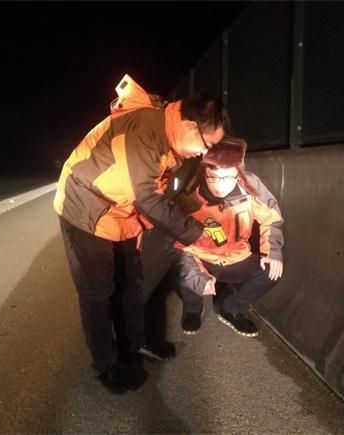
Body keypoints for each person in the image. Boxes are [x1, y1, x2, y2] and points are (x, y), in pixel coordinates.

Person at [54, 74, 228, 393]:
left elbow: (164, 194)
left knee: (131, 282)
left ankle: (134, 344)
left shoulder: (171, 138)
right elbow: (147, 198)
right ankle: (106, 364)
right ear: (191, 126)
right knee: (98, 291)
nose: (205, 153)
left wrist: (204, 220)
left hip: (121, 209)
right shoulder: (147, 130)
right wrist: (196, 235)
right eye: (207, 145)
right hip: (85, 206)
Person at [171, 136, 284, 337]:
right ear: (204, 173)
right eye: (213, 177)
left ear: (238, 174)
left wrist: (272, 251)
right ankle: (193, 308)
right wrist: (197, 276)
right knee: (185, 276)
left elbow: (271, 217)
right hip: (201, 257)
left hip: (236, 257)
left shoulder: (250, 188)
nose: (220, 186)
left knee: (271, 271)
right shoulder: (189, 199)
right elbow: (178, 247)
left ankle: (230, 308)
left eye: (228, 178)